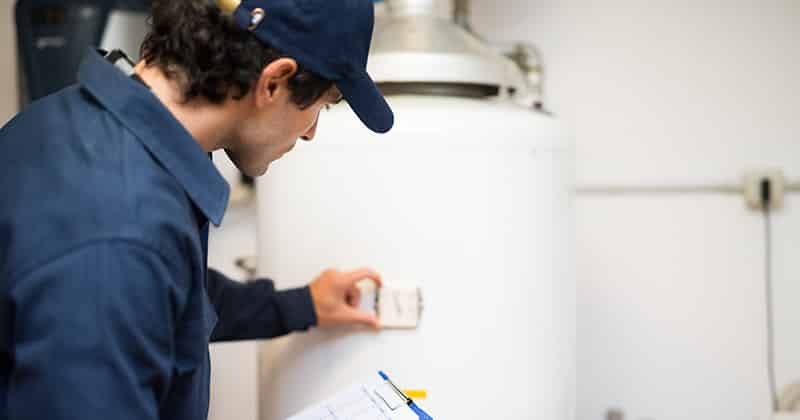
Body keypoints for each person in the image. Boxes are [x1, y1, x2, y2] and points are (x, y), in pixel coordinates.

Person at [0, 0, 394, 419]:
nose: (312, 131)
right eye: (323, 105)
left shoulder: (70, 123)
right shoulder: (120, 234)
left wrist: (303, 305)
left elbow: (170, 293)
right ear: (275, 82)